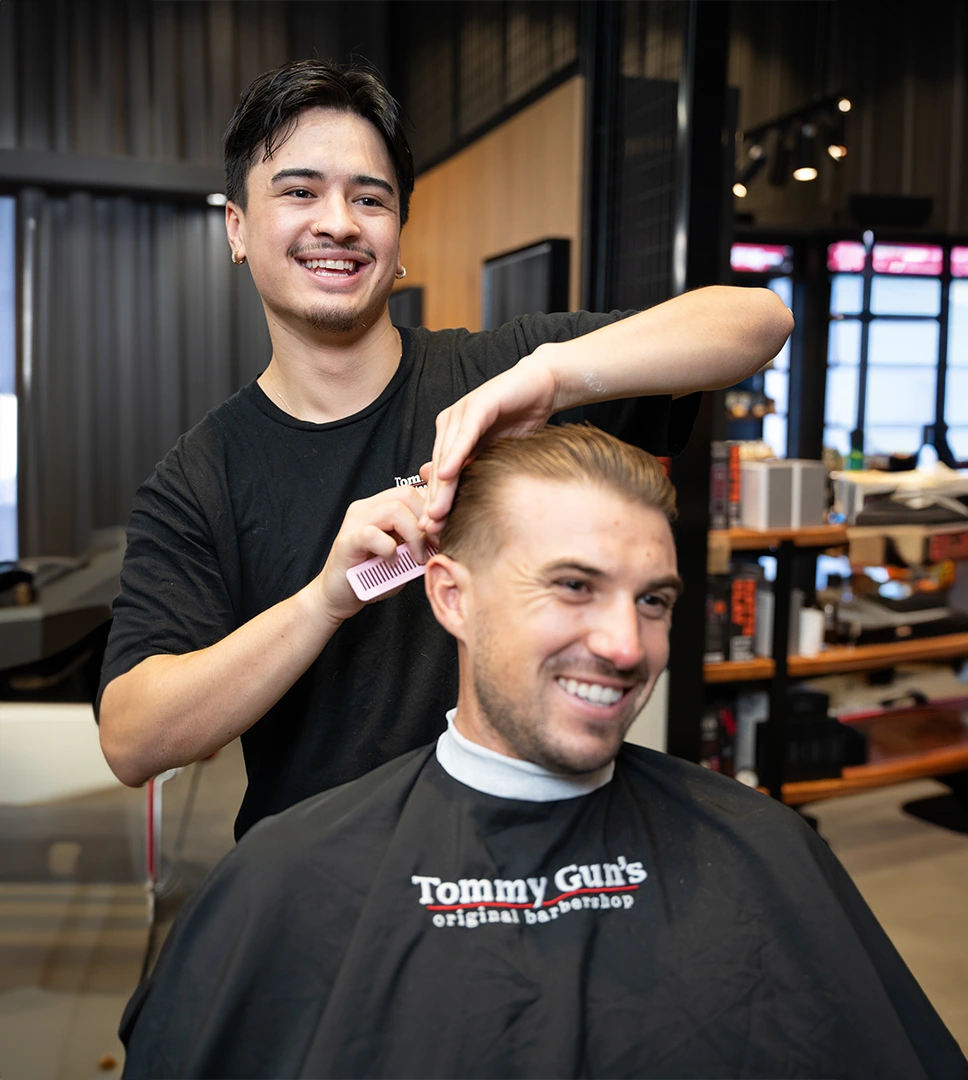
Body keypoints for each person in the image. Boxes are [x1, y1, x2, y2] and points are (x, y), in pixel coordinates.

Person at [118, 424, 967, 1080]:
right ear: (451, 596)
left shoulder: (766, 847)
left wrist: (555, 371)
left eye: (655, 601)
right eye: (574, 586)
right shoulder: (287, 876)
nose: (627, 646)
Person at [96, 59, 794, 839]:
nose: (339, 222)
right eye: (299, 192)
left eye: (371, 198)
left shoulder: (502, 377)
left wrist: (552, 376)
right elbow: (132, 739)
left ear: (398, 238)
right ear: (237, 228)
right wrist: (325, 599)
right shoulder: (201, 478)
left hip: (533, 863)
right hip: (331, 889)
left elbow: (756, 322)